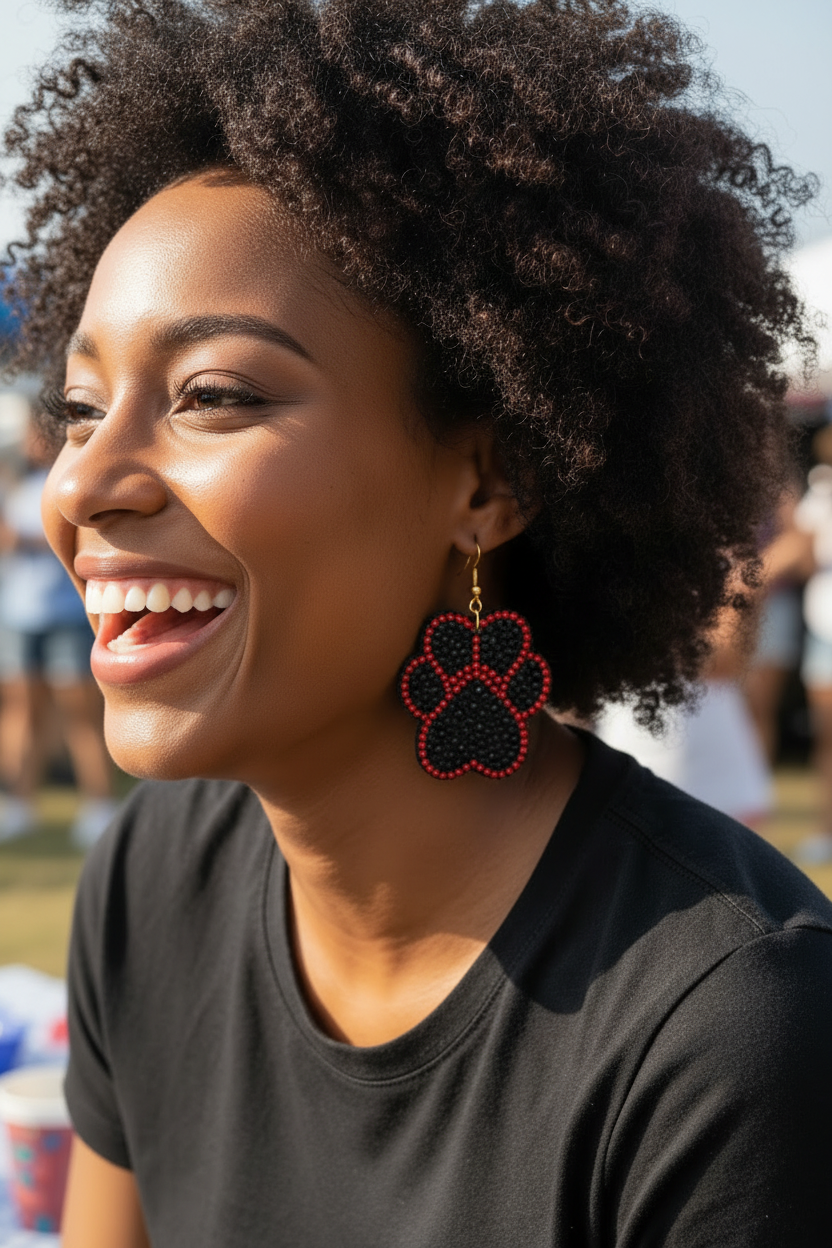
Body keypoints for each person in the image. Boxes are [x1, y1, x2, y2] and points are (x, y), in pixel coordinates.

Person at [4, 1, 832, 1244]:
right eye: (78, 406)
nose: (81, 483)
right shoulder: (149, 877)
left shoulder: (734, 1032)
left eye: (211, 394)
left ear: (486, 485)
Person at [0, 417, 117, 847]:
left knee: (79, 713)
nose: (31, 442)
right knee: (21, 712)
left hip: (68, 613)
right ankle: (18, 806)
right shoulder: (13, 483)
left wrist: (26, 542)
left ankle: (100, 806)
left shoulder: (71, 480)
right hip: (18, 614)